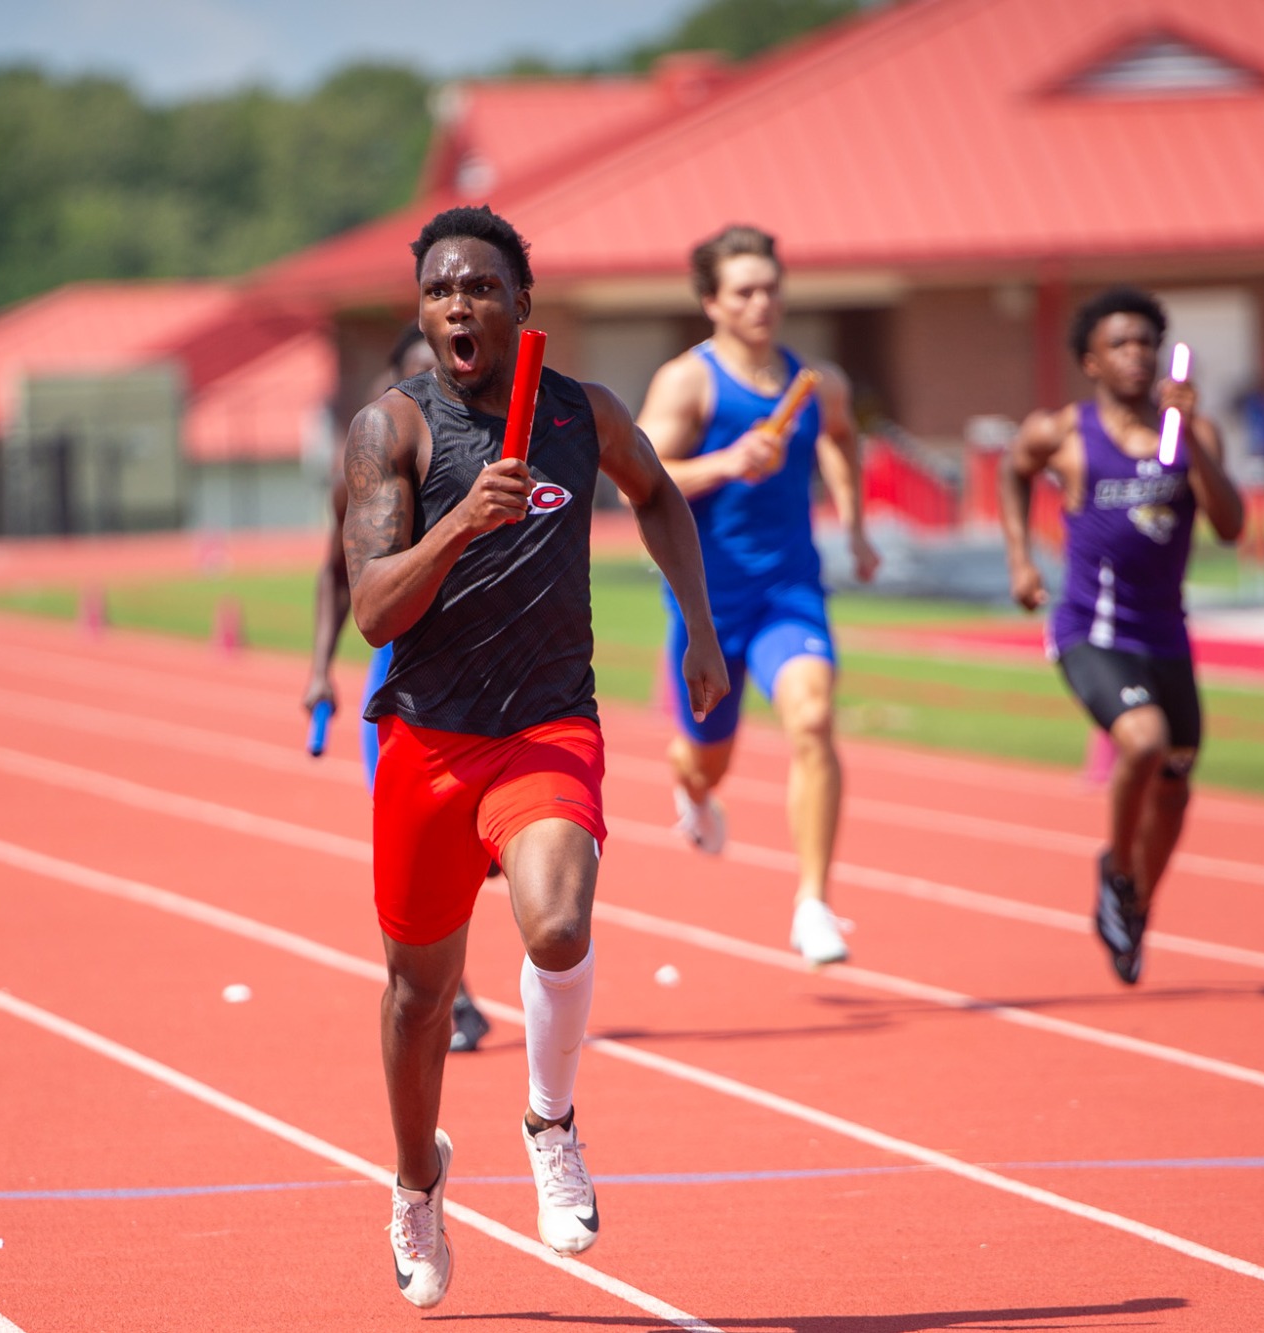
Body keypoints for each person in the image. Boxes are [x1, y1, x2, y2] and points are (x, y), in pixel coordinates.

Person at [345, 204, 725, 1308]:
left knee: (558, 921)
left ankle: (549, 1120)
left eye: (476, 287)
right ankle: (417, 1181)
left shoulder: (580, 413)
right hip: (425, 740)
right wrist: (460, 521)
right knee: (419, 997)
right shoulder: (393, 432)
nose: (455, 305)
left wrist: (697, 628)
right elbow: (373, 611)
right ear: (421, 313)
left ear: (521, 303)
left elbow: (657, 496)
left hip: (547, 725)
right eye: (436, 291)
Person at [636, 224, 879, 967]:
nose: (762, 301)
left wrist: (856, 523)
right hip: (707, 604)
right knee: (707, 759)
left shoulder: (818, 381)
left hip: (790, 591)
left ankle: (813, 903)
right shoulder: (690, 382)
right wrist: (725, 463)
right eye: (744, 290)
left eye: (771, 286)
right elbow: (637, 474)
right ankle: (692, 782)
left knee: (813, 718)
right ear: (712, 301)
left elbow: (840, 437)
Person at [999, 286, 1244, 985]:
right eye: (1120, 345)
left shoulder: (1189, 436)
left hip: (1167, 634)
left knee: (1175, 785)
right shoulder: (1065, 434)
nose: (1137, 356)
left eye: (1146, 343)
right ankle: (1115, 868)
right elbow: (1015, 471)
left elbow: (1230, 527)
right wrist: (1020, 556)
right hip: (1091, 630)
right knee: (1142, 739)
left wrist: (1192, 439)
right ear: (1091, 361)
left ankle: (1135, 901)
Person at [303, 323, 492, 1054]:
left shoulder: (483, 453)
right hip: (401, 691)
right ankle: (457, 999)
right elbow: (334, 572)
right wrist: (321, 668)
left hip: (489, 681)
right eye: (417, 374)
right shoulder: (371, 457)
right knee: (421, 858)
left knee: (489, 856)